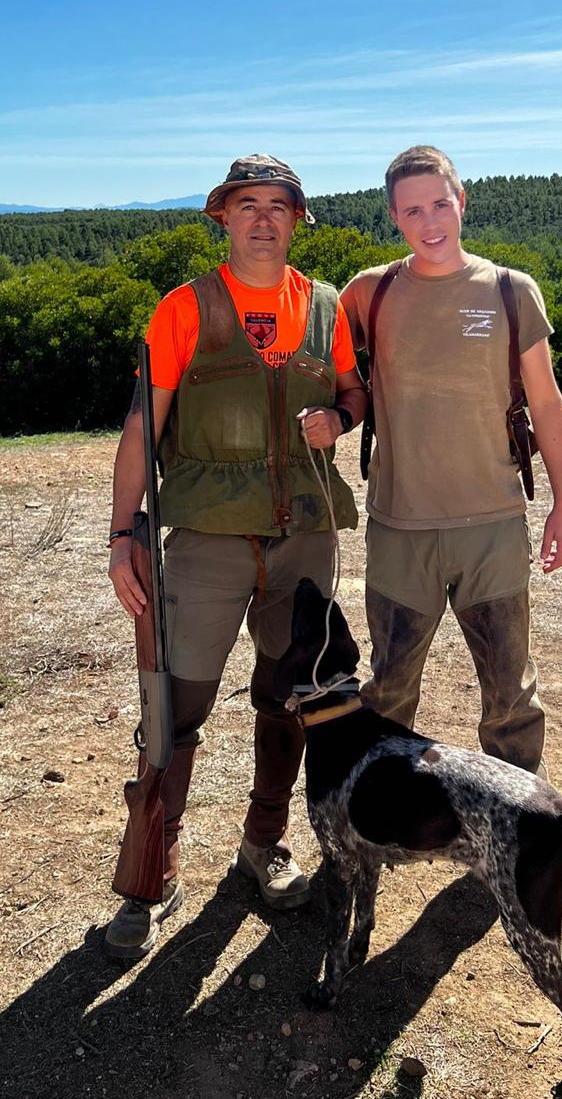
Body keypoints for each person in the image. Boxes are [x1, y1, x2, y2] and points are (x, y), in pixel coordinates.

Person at [103, 155, 367, 961]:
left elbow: (354, 393)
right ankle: (152, 873)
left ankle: (264, 844)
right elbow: (143, 426)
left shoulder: (325, 307)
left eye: (278, 206)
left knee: (290, 697)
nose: (262, 219)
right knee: (173, 708)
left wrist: (341, 418)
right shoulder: (185, 308)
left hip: (305, 537)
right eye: (246, 205)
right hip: (208, 540)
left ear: (296, 221)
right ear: (223, 217)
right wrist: (121, 536)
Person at [341, 145, 562, 776]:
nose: (430, 222)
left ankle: (522, 818)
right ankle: (382, 812)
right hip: (400, 526)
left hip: (492, 526)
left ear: (461, 202)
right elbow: (329, 373)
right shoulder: (368, 292)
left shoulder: (509, 291)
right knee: (388, 691)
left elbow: (546, 403)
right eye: (413, 210)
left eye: (440, 204)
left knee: (510, 699)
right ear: (394, 217)